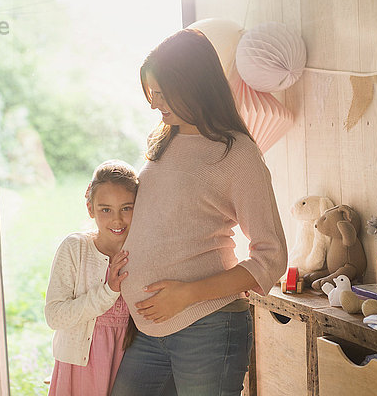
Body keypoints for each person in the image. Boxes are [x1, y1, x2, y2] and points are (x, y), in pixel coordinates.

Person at [110, 29, 288, 396]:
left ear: (194, 83)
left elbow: (272, 257)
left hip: (206, 327)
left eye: (161, 92)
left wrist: (188, 294)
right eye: (151, 93)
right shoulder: (166, 139)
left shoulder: (235, 153)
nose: (154, 103)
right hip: (148, 329)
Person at [44, 160, 138, 396]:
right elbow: (55, 315)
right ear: (91, 209)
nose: (117, 220)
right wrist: (108, 291)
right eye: (106, 209)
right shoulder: (75, 248)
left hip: (126, 365)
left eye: (126, 208)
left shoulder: (141, 253)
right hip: (79, 366)